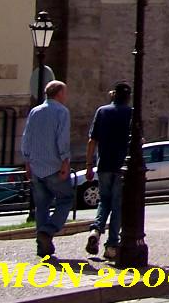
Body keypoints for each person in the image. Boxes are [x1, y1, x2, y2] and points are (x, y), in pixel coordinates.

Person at [21, 80, 74, 258]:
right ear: (59, 93)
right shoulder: (62, 112)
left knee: (41, 206)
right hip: (55, 166)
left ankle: (42, 246)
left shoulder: (34, 111)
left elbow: (26, 137)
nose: (66, 96)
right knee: (66, 199)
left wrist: (27, 162)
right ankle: (48, 231)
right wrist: (65, 161)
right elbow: (62, 138)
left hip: (36, 166)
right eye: (65, 93)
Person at [85, 81, 132, 262]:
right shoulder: (131, 113)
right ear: (127, 97)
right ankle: (112, 245)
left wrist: (89, 165)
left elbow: (92, 140)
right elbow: (138, 140)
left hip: (104, 163)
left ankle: (96, 230)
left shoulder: (102, 111)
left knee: (104, 201)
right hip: (122, 167)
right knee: (117, 206)